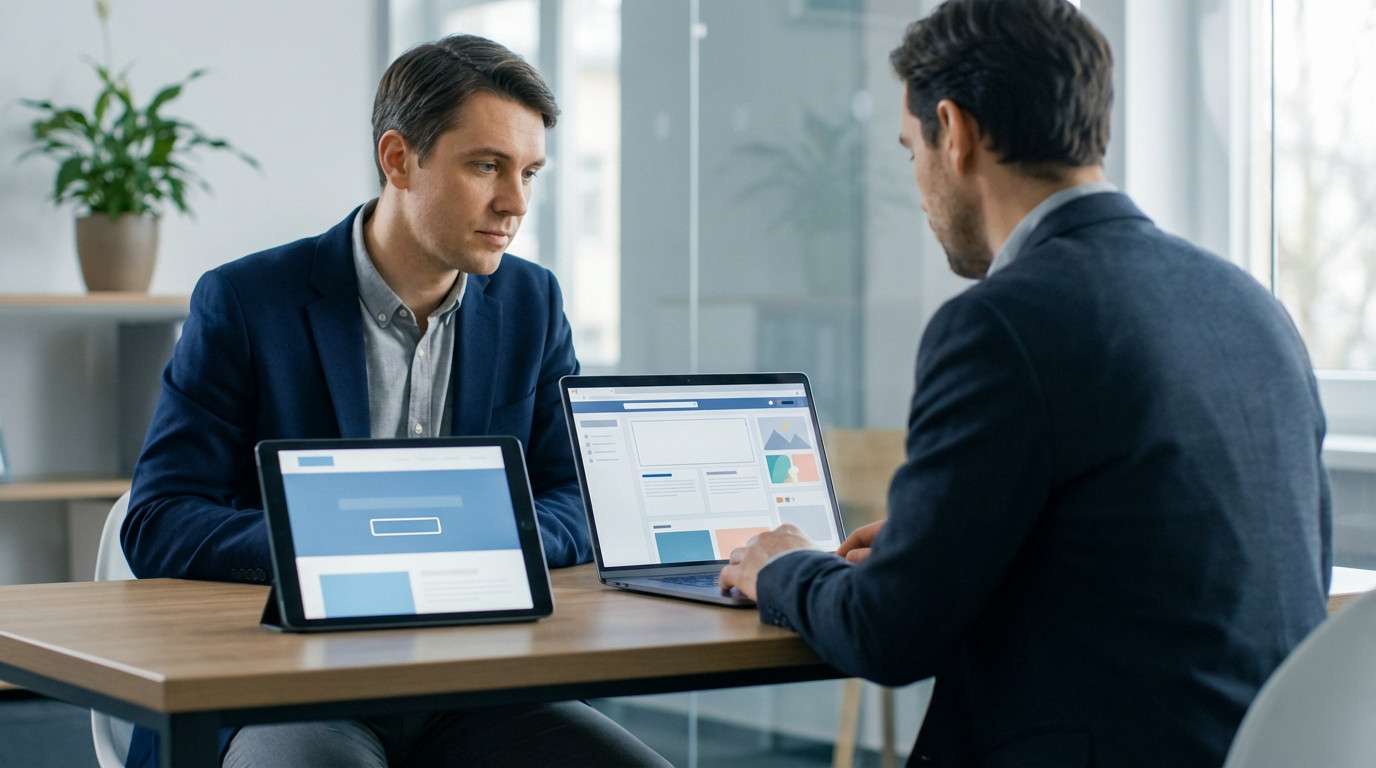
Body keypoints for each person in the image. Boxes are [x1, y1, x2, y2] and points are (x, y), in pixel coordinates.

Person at [720, 1, 1332, 765]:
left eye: (911, 151)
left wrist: (783, 565)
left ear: (955, 131)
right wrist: (927, 550)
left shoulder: (1001, 324)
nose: (919, 187)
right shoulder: (1250, 306)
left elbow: (887, 635)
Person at [121, 34, 669, 768]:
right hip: (291, 685)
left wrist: (486, 541)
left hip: (479, 683)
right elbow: (159, 520)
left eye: (530, 173)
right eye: (486, 166)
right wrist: (339, 547)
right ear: (398, 159)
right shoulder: (248, 302)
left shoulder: (532, 302)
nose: (515, 203)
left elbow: (579, 495)